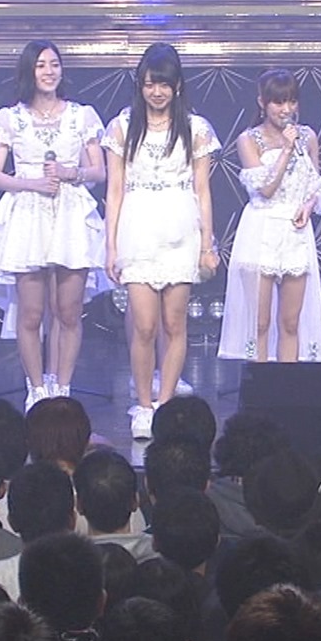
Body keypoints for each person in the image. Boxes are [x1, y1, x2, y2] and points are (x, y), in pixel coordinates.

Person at [0, 40, 109, 411]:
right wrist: (32, 183)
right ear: (29, 71)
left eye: (54, 64)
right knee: (31, 313)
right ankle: (36, 388)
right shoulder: (10, 118)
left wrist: (70, 173)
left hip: (70, 215)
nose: (49, 71)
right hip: (28, 216)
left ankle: (62, 386)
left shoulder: (82, 115)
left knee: (68, 311)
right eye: (41, 65)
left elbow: (99, 170)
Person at [103, 43, 220, 441]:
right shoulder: (122, 127)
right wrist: (110, 247)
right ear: (140, 85)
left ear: (177, 86)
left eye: (164, 85)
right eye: (150, 84)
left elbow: (202, 191)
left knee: (174, 322)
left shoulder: (195, 128)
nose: (157, 92)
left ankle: (165, 404)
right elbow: (114, 191)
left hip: (181, 230)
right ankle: (143, 405)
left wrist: (207, 244)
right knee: (144, 325)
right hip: (137, 229)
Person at [217, 68, 321, 364]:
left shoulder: (308, 137)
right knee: (259, 323)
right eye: (278, 102)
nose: (286, 109)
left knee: (290, 323)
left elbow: (315, 185)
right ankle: (258, 382)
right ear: (262, 102)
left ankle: (287, 385)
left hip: (294, 233)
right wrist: (286, 149)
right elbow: (266, 189)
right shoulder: (248, 140)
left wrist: (308, 206)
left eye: (292, 101)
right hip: (260, 230)